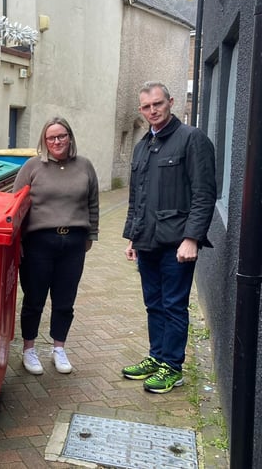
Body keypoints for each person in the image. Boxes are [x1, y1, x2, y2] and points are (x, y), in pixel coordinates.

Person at [122, 81, 216, 393]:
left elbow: (204, 194)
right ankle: (157, 356)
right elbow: (137, 198)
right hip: (147, 240)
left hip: (177, 244)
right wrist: (132, 238)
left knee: (174, 305)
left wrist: (192, 238)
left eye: (158, 104)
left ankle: (172, 367)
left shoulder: (192, 139)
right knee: (154, 304)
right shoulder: (141, 147)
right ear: (141, 109)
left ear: (171, 102)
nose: (153, 111)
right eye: (147, 107)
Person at [12, 116, 99, 375]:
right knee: (34, 299)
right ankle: (29, 349)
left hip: (73, 243)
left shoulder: (85, 166)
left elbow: (93, 202)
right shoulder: (32, 167)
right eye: (51, 138)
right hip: (38, 243)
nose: (57, 141)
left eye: (62, 136)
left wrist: (91, 235)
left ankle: (59, 349)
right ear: (44, 141)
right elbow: (16, 205)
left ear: (70, 137)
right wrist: (16, 241)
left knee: (65, 300)